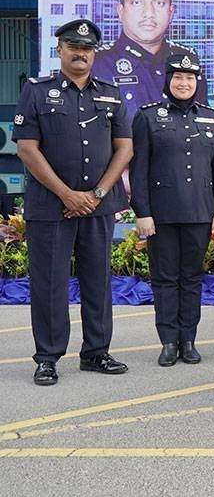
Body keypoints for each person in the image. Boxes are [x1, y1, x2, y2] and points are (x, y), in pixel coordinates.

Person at [13, 19, 133, 385]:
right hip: (50, 206)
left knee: (98, 280)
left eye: (87, 48)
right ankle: (47, 357)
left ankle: (96, 352)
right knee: (49, 284)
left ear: (94, 53)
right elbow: (26, 148)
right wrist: (67, 194)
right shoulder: (36, 91)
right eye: (72, 46)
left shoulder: (111, 93)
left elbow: (124, 148)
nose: (80, 52)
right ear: (60, 49)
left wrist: (95, 195)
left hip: (98, 205)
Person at [130, 53, 214, 367]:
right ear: (168, 80)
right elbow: (139, 169)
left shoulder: (211, 117)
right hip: (160, 215)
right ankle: (168, 342)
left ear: (197, 82)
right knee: (164, 279)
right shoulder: (148, 117)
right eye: (178, 77)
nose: (184, 83)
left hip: (200, 213)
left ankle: (188, 339)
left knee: (191, 278)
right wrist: (142, 212)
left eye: (190, 78)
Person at [92, 0, 207, 117]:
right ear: (121, 11)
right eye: (137, 2)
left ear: (171, 11)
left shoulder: (186, 59)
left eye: (159, 3)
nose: (148, 13)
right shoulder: (97, 65)